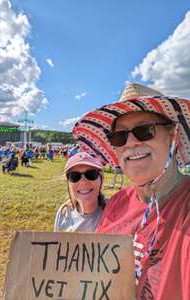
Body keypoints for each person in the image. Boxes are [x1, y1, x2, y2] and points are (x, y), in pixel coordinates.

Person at [72, 83, 190, 300]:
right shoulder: (118, 202)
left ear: (172, 136)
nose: (131, 143)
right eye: (120, 136)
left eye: (145, 131)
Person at [54, 151, 107, 232]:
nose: (83, 181)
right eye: (74, 176)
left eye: (91, 174)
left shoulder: (114, 212)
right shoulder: (64, 213)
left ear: (101, 179)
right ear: (68, 183)